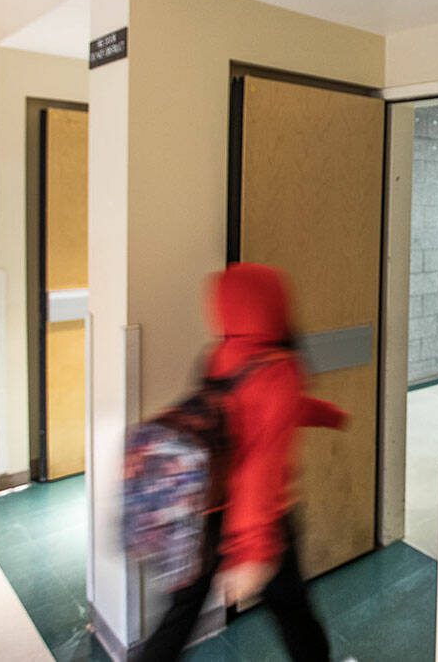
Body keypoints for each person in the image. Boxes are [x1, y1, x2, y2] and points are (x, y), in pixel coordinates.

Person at [139, 262, 348, 661]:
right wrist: (251, 551)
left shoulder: (221, 355)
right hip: (263, 519)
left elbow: (252, 415)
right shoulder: (280, 370)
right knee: (295, 615)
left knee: (179, 618)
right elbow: (259, 467)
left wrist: (325, 414)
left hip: (203, 509)